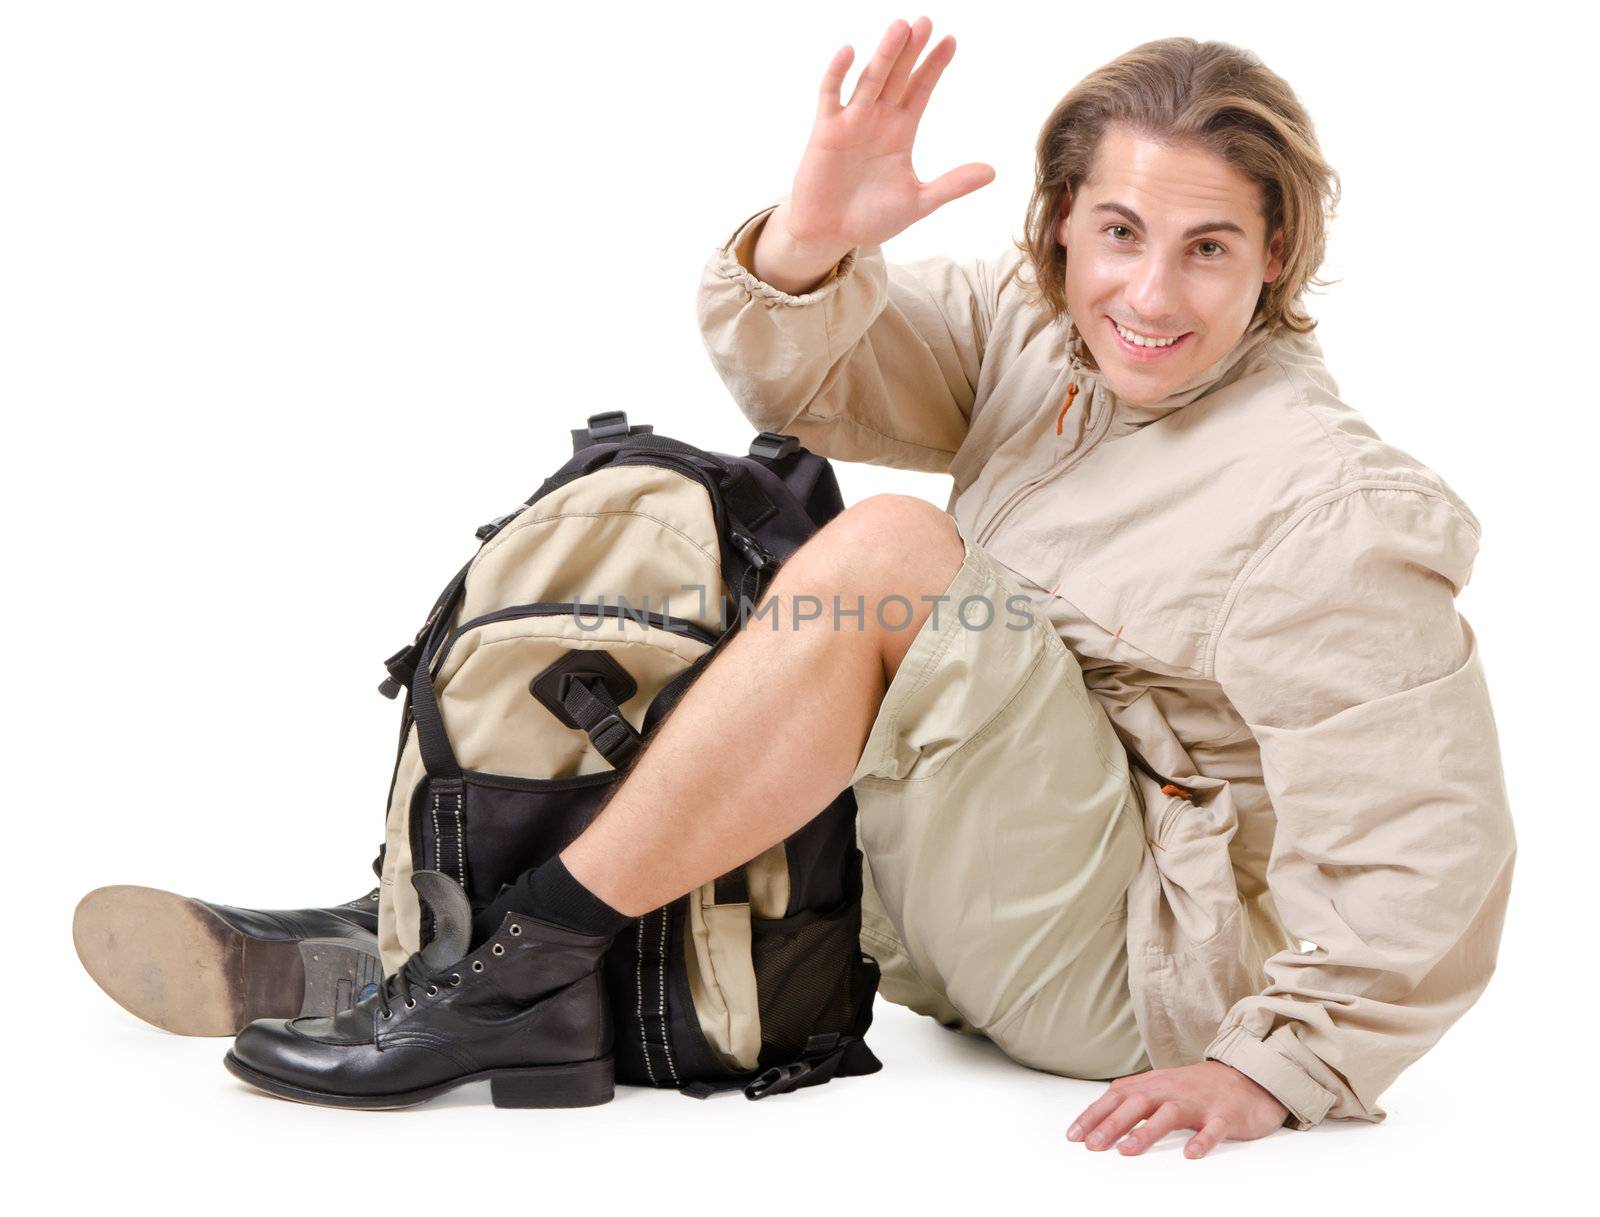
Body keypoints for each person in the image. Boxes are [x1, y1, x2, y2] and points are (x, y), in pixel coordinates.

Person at [74, 20, 1514, 1158]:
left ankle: (516, 960)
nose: (1154, 295)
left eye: (1212, 249)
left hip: (1133, 964)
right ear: (1065, 225)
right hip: (979, 887)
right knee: (732, 526)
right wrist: (818, 237)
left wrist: (1278, 1065)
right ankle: (452, 917)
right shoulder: (1043, 339)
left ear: (1277, 260)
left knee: (881, 565)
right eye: (1122, 234)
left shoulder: (1324, 501)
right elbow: (811, 373)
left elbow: (1430, 841)